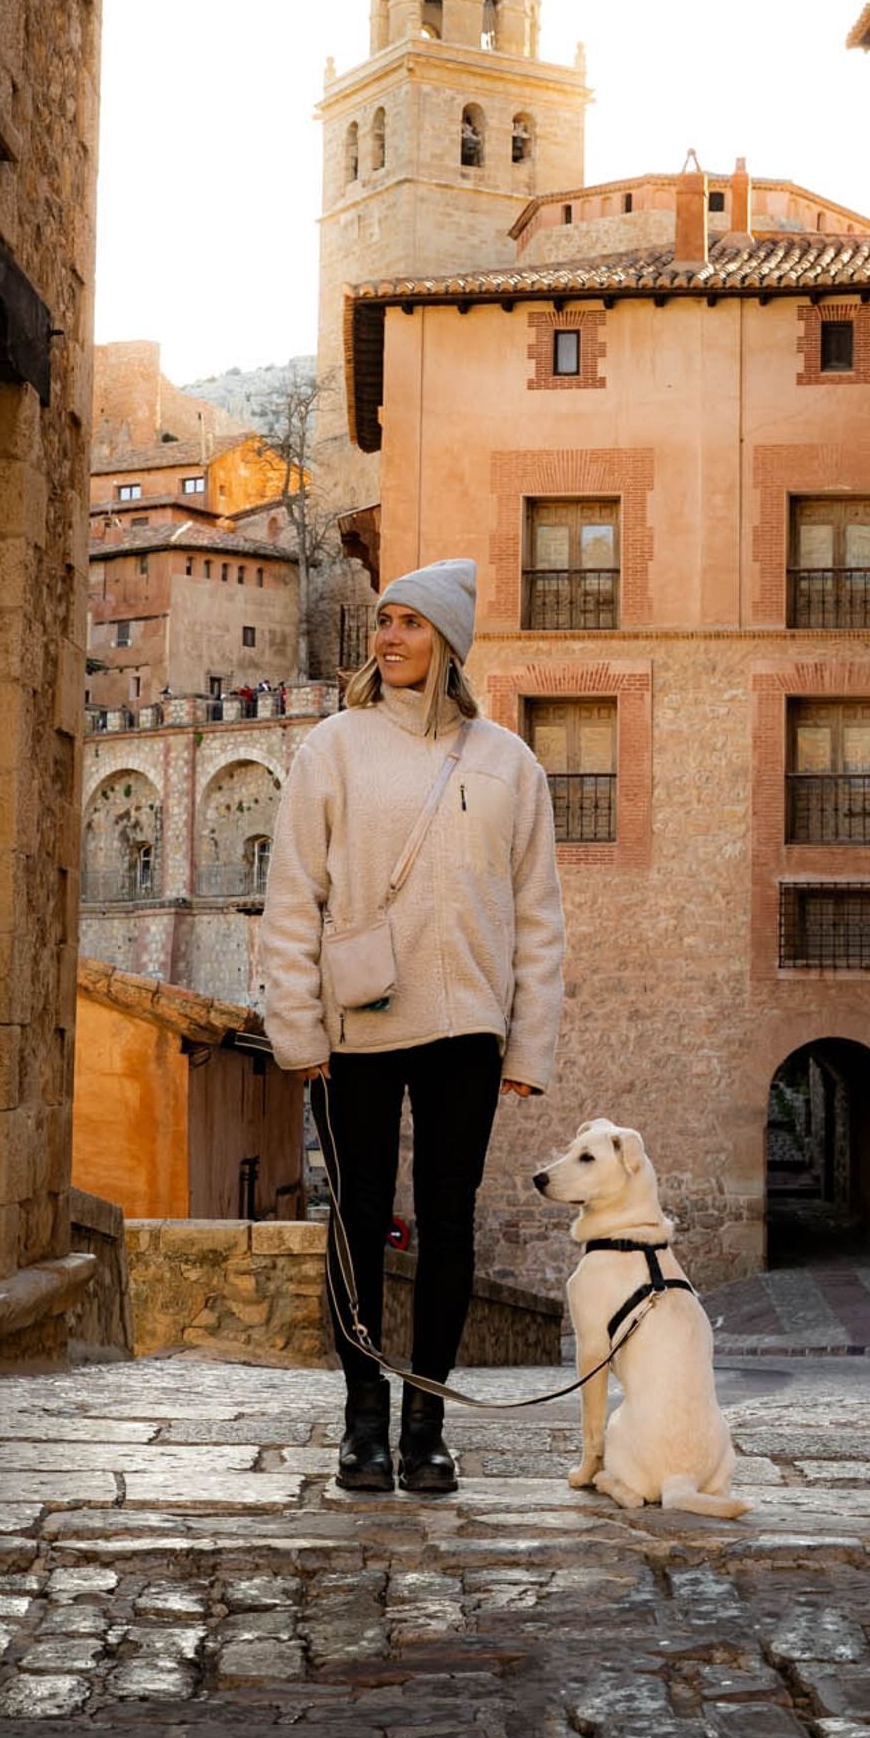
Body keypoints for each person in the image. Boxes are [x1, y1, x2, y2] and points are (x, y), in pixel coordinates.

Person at [259, 558, 564, 1494]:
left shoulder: (508, 762)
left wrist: (529, 1043)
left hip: (467, 1027)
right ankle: (362, 1423)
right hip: (355, 1029)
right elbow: (291, 896)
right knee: (354, 1220)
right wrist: (298, 1031)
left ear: (449, 642)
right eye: (383, 622)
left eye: (410, 624)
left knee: (449, 1222)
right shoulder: (334, 749)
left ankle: (427, 1419)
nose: (388, 638)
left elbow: (538, 914)